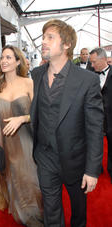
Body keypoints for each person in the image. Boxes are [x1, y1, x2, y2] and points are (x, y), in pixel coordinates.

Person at [30, 19, 104, 227]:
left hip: (76, 160)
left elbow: (95, 128)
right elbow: (34, 112)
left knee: (78, 211)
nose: (43, 42)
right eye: (43, 37)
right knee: (51, 213)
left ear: (66, 45)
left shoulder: (86, 80)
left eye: (50, 37)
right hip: (44, 157)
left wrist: (92, 169)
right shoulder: (36, 75)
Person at [0, 45, 43, 227]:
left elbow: (39, 114)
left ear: (17, 61)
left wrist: (22, 118)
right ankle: (24, 219)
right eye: (2, 58)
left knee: (32, 182)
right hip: (4, 143)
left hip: (27, 142)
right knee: (13, 181)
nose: (4, 61)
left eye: (9, 57)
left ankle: (38, 218)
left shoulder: (28, 83)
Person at [90, 47, 112, 183]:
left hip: (110, 118)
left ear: (103, 59)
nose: (92, 65)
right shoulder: (90, 76)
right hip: (94, 118)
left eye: (94, 62)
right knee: (94, 144)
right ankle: (95, 169)